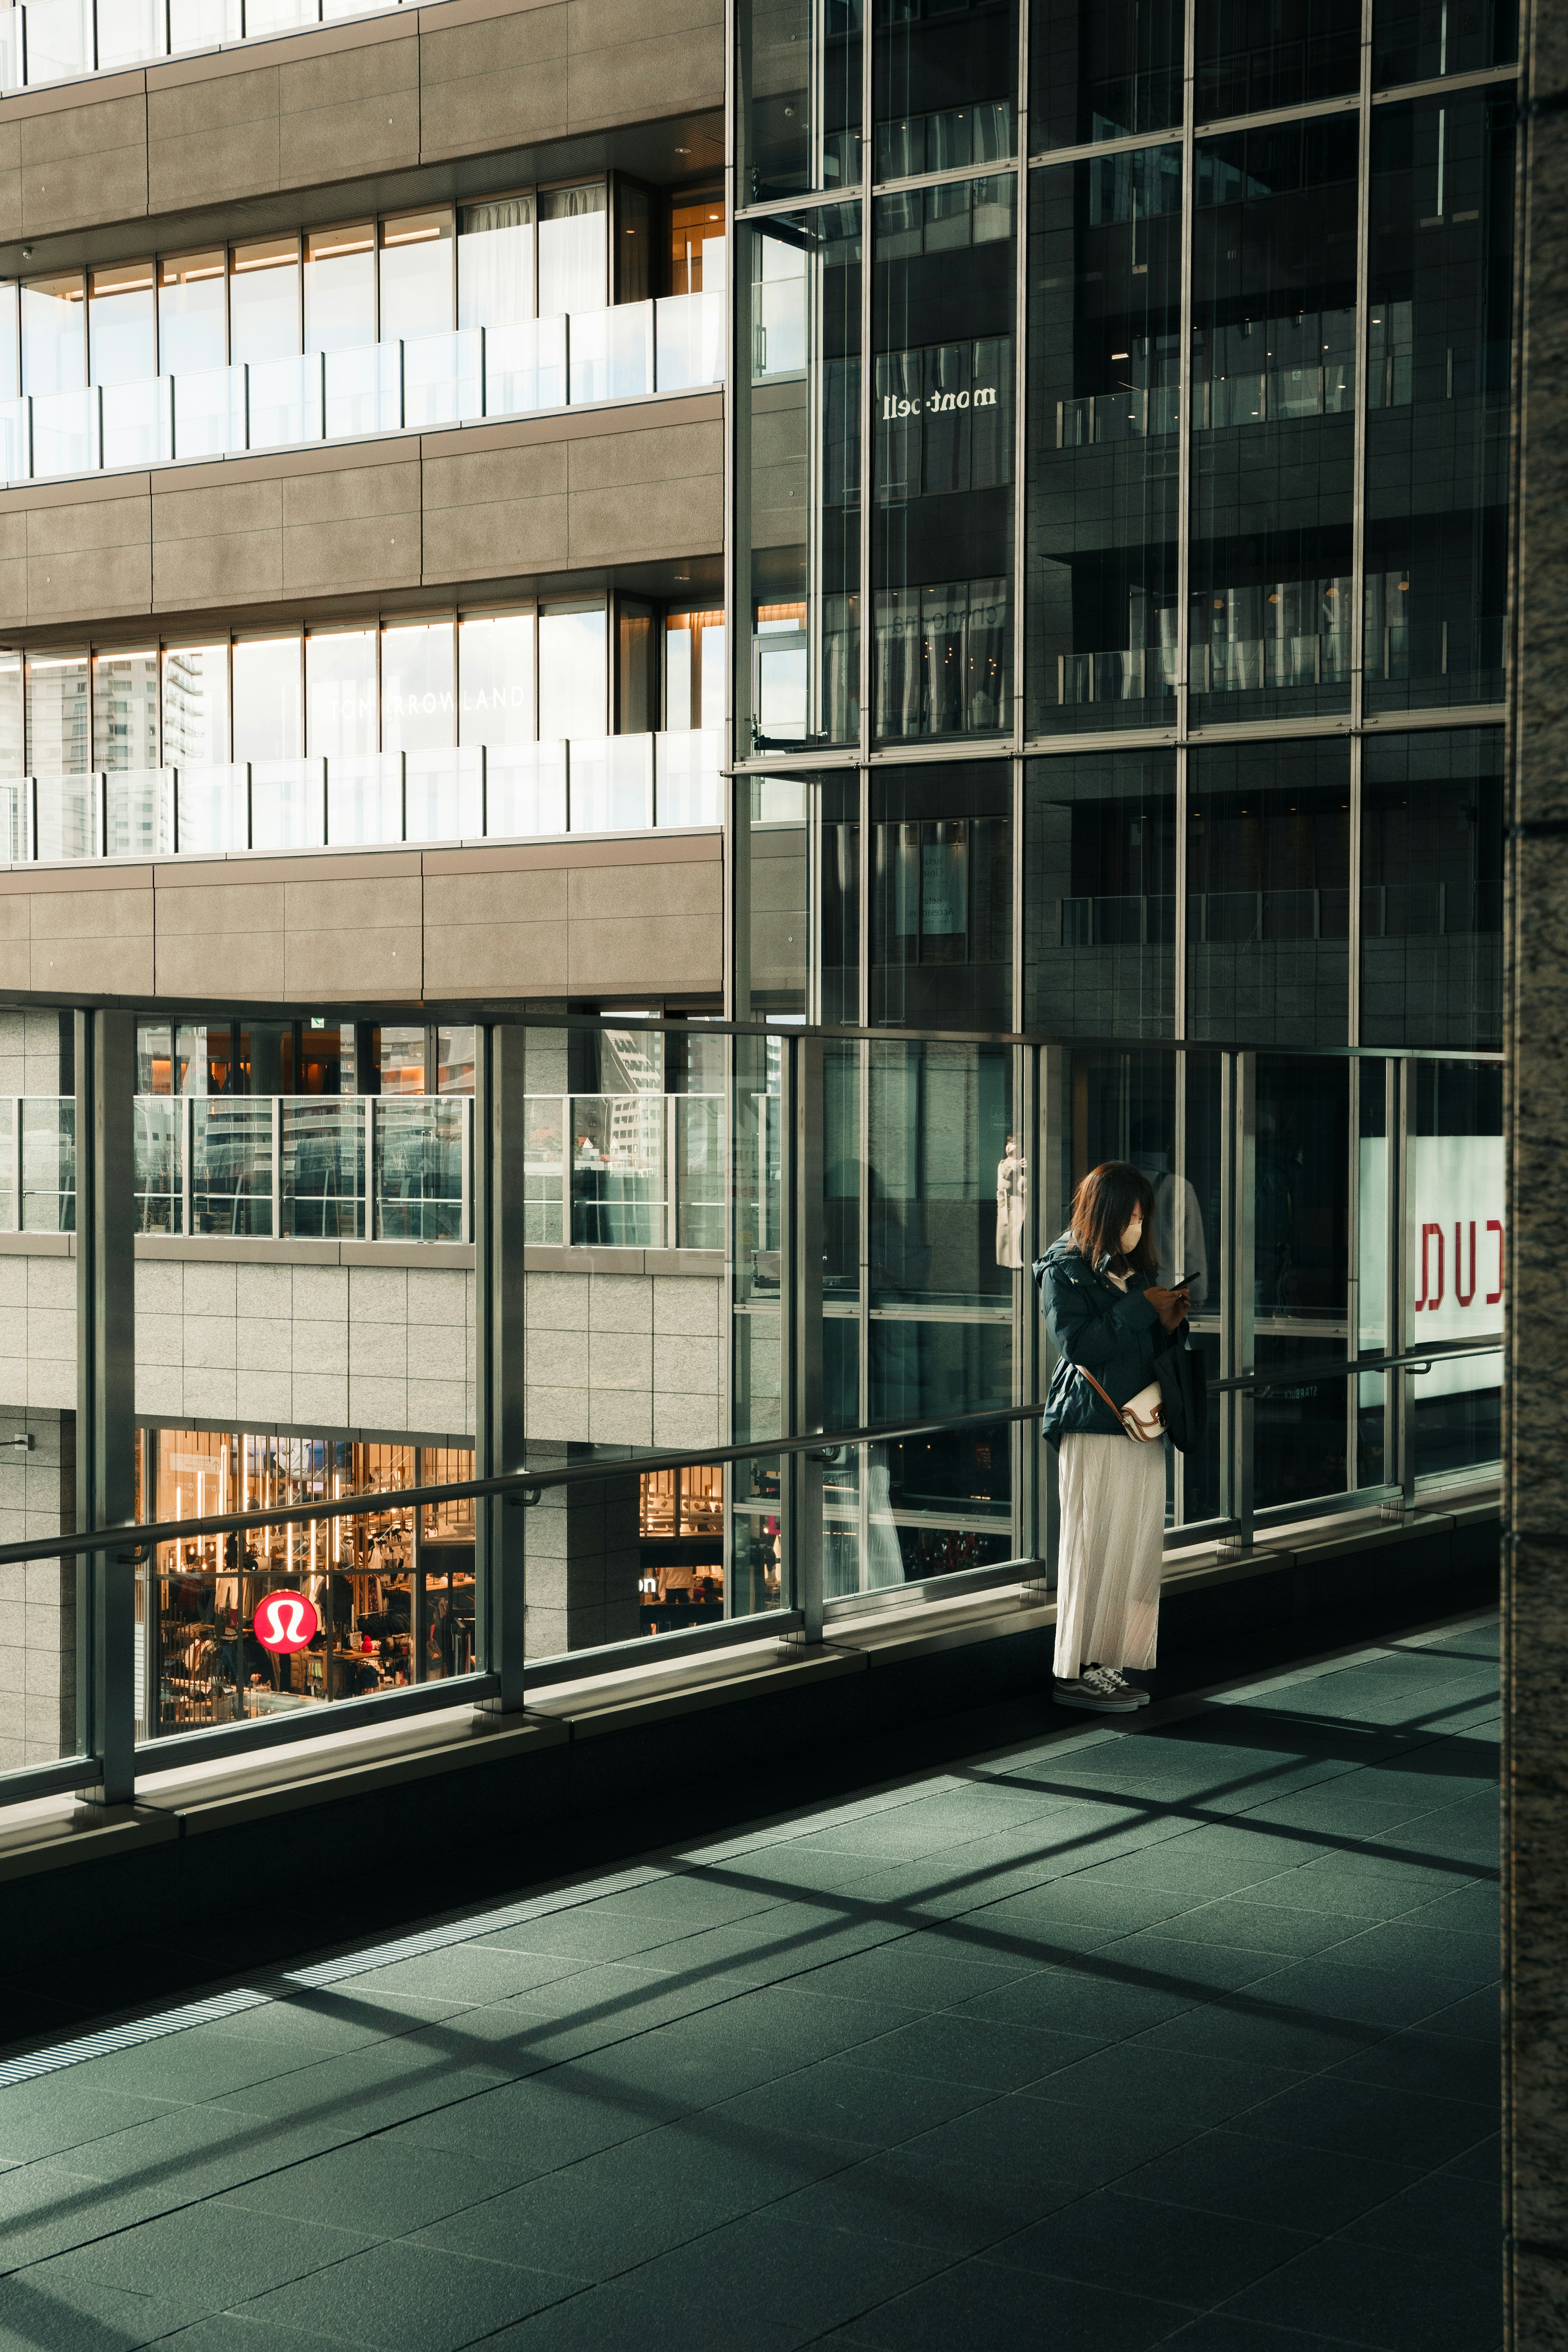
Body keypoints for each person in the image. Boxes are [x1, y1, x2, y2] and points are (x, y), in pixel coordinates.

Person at [1036, 1161, 1189, 1713]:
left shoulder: (1133, 1269)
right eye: (1128, 1218)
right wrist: (1138, 1308)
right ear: (1102, 1214)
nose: (1136, 1229)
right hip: (1093, 1423)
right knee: (1091, 1548)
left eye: (1142, 1219)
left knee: (1132, 1550)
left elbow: (1139, 1345)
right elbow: (1079, 1346)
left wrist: (1169, 1318)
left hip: (1140, 1426)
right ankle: (1076, 1670)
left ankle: (1109, 1664)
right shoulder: (1062, 1269)